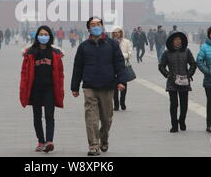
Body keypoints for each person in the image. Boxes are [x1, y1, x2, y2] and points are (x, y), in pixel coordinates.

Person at [71, 16, 127, 156]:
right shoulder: (83, 46)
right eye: (92, 24)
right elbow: (77, 67)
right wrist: (75, 86)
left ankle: (104, 139)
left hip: (107, 86)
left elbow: (119, 64)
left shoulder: (112, 44)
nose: (95, 26)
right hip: (89, 85)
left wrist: (121, 81)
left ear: (102, 26)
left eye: (98, 24)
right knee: (91, 117)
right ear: (89, 28)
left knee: (107, 118)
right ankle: (93, 145)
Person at [20, 25, 64, 153]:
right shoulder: (30, 53)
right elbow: (24, 72)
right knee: (37, 116)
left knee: (50, 115)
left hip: (49, 88)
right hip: (35, 89)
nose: (43, 36)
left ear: (49, 36)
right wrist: (23, 88)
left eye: (46, 34)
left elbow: (60, 73)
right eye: (41, 34)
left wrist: (60, 88)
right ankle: (41, 141)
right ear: (37, 36)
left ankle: (49, 141)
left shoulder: (55, 53)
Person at [158, 32, 197, 132]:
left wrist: (189, 74)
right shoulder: (167, 53)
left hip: (184, 81)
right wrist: (168, 74)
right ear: (172, 41)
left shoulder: (187, 51)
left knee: (184, 104)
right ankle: (174, 124)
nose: (178, 41)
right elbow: (161, 66)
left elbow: (193, 63)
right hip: (172, 82)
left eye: (179, 39)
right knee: (174, 104)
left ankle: (182, 120)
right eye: (175, 39)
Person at [111, 25, 133, 111]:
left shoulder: (127, 42)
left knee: (123, 84)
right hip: (113, 66)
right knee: (114, 86)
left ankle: (122, 102)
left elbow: (130, 53)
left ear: (121, 33)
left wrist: (120, 56)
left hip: (123, 66)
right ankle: (116, 104)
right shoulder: (110, 42)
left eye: (118, 32)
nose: (116, 34)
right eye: (115, 33)